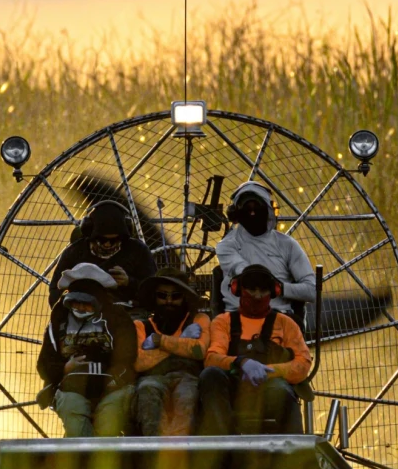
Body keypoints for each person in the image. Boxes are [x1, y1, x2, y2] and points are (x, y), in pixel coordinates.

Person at [198, 264, 311, 436]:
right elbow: (212, 358)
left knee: (281, 391)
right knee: (210, 375)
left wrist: (271, 371)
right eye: (251, 289)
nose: (257, 296)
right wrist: (241, 362)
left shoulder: (286, 323)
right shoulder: (223, 321)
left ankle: (295, 454)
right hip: (233, 391)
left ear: (273, 292)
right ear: (237, 289)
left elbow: (303, 363)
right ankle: (223, 446)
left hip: (271, 390)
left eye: (263, 290)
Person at [36, 263, 138, 437]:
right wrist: (65, 368)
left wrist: (114, 376)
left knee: (108, 427)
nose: (81, 308)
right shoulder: (58, 322)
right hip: (70, 389)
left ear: (99, 302)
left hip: (113, 387)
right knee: (76, 427)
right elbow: (44, 364)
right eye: (76, 303)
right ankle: (81, 457)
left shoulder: (118, 318)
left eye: (87, 304)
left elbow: (128, 355)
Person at [216, 182, 315, 322]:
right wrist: (269, 284)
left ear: (269, 211)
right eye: (247, 209)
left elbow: (312, 291)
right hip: (237, 319)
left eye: (257, 208)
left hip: (279, 318)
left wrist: (280, 289)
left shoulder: (288, 245)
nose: (252, 213)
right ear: (235, 213)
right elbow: (245, 272)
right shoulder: (226, 246)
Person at [132, 269, 211, 436]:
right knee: (147, 391)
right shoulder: (141, 326)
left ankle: (178, 453)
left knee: (186, 396)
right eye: (162, 295)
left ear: (184, 298)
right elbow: (139, 362)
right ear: (154, 297)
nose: (169, 301)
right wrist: (182, 341)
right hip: (152, 378)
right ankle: (154, 453)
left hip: (188, 377)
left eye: (176, 296)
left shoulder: (200, 319)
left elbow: (198, 351)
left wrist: (159, 342)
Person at [49, 200, 156, 307]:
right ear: (90, 234)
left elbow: (154, 291)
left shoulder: (138, 251)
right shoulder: (75, 252)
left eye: (114, 240)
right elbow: (55, 291)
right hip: (83, 311)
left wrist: (129, 282)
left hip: (126, 313)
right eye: (101, 239)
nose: (108, 245)